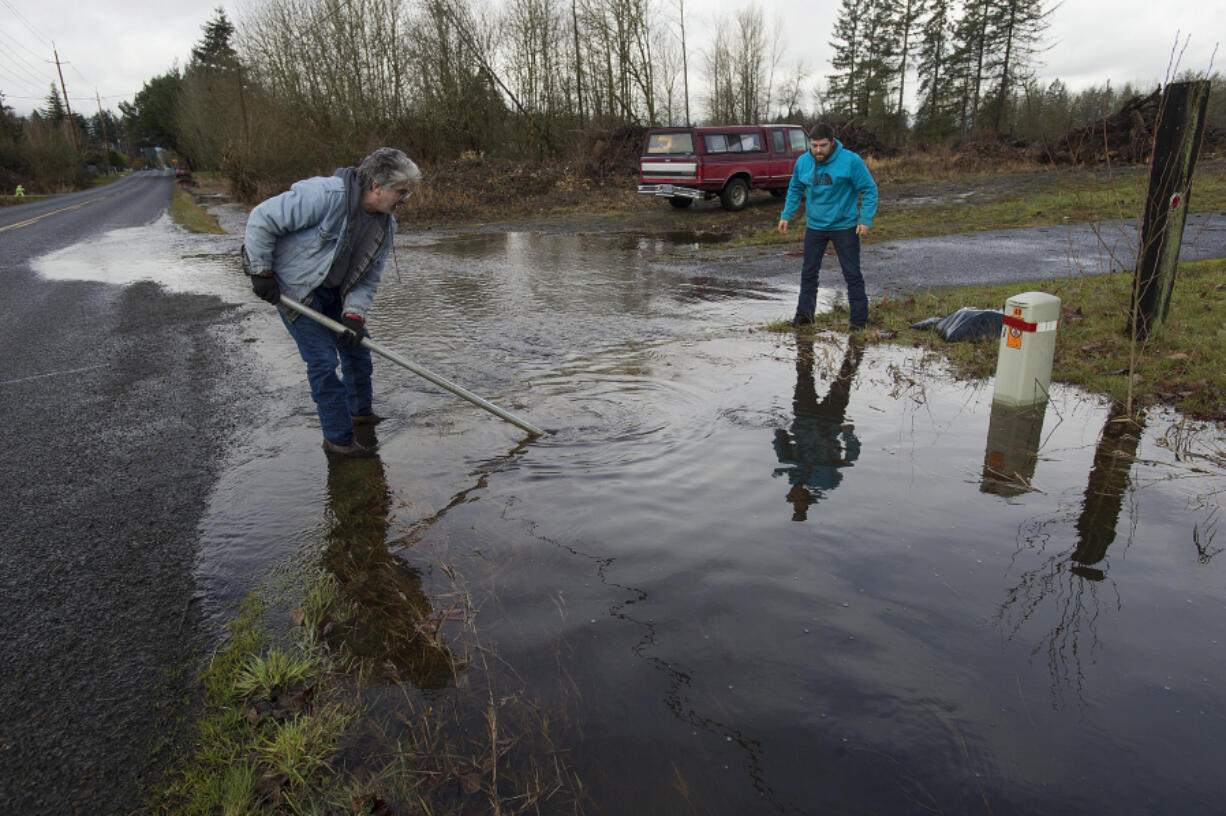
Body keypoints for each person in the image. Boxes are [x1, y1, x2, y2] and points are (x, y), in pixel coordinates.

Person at [243, 147, 421, 457]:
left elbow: (368, 277)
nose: (405, 199)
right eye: (401, 191)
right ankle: (339, 440)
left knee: (358, 351)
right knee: (323, 363)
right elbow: (261, 219)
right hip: (297, 290)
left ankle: (360, 414)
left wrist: (354, 315)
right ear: (377, 185)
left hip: (336, 293)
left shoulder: (385, 225)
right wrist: (261, 272)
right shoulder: (324, 195)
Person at [777, 123, 878, 329]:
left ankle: (859, 320)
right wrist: (786, 215)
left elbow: (869, 189)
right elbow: (795, 189)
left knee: (852, 274)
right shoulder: (803, 162)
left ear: (832, 142)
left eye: (822, 145)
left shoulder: (850, 161)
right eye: (814, 146)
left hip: (845, 226)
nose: (818, 150)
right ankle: (804, 316)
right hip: (815, 226)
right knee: (808, 272)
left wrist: (865, 220)